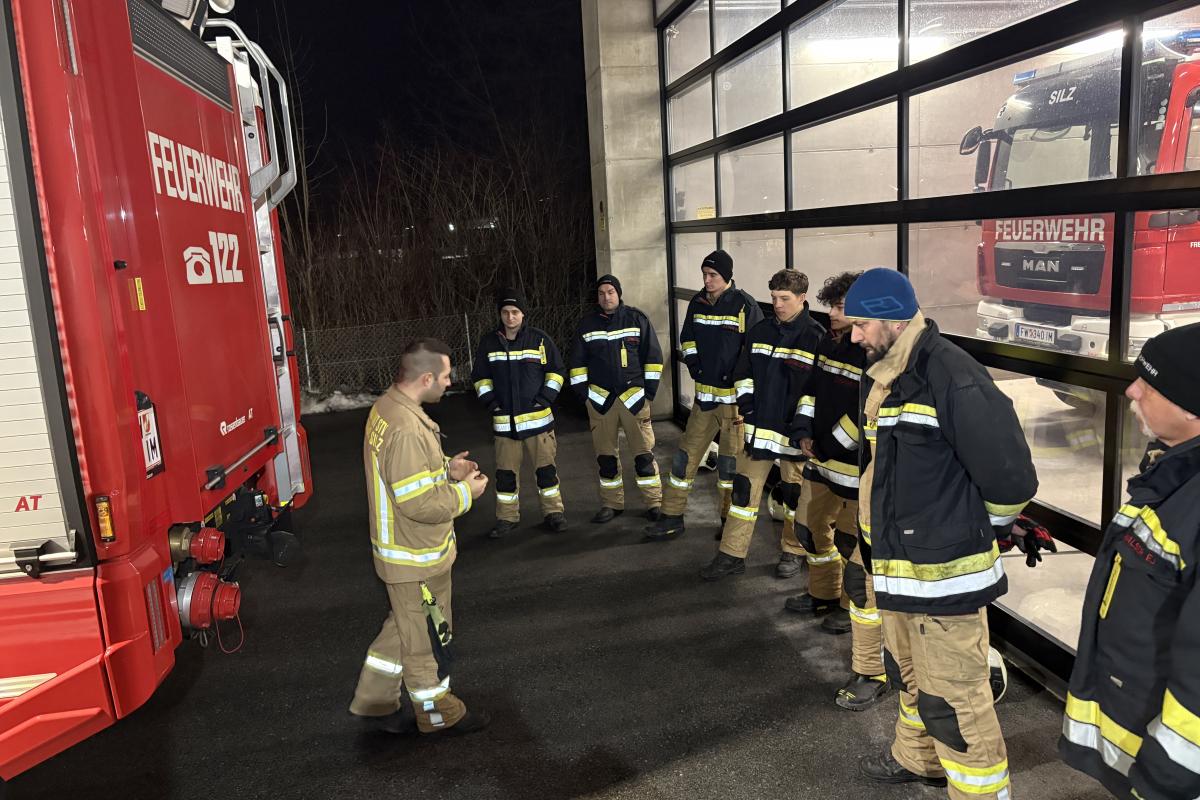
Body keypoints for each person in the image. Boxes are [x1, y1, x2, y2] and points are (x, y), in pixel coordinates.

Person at [847, 268, 1041, 797]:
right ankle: (919, 759)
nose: (854, 335)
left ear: (893, 320)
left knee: (956, 701)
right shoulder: (884, 372)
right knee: (909, 677)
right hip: (898, 569)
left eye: (861, 324)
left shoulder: (953, 375)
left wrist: (974, 531)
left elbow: (1012, 480)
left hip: (942, 581)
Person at [1060, 322, 1200, 800]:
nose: (1131, 390)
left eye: (1150, 383)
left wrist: (1164, 780)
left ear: (1192, 409)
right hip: (1141, 740)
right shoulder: (1171, 471)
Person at [349, 338, 490, 736]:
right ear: (426, 378)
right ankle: (436, 712)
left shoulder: (387, 408)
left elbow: (406, 473)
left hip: (401, 553)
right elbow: (418, 503)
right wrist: (466, 493)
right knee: (426, 636)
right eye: (445, 376)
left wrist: (447, 468)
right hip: (415, 556)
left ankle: (374, 700)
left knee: (405, 624)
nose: (449, 382)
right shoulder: (408, 428)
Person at [781, 270, 888, 711]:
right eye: (832, 307)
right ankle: (823, 595)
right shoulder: (828, 343)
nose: (833, 314)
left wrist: (829, 440)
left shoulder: (874, 355)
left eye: (841, 308)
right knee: (808, 530)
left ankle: (847, 608)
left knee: (851, 545)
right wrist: (804, 429)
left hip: (853, 469)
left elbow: (866, 416)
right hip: (821, 459)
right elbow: (811, 391)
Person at [700, 268, 825, 581]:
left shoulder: (816, 337)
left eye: (784, 298)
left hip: (794, 438)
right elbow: (743, 375)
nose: (777, 304)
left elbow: (815, 394)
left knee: (794, 498)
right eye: (773, 297)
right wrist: (749, 409)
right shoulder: (759, 332)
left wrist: (802, 428)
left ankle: (793, 551)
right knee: (742, 494)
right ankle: (731, 554)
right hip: (758, 434)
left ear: (802, 298)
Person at [645, 250, 763, 542]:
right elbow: (687, 338)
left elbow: (754, 351)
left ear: (727, 276)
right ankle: (671, 516)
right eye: (705, 275)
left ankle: (728, 521)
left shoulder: (745, 306)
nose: (707, 280)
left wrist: (738, 381)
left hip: (734, 406)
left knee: (729, 468)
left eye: (713, 275)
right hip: (704, 402)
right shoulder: (697, 303)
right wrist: (694, 365)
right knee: (684, 458)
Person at [470, 287, 568, 539]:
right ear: (500, 314)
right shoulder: (489, 343)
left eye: (515, 311)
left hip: (539, 423)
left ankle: (554, 513)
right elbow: (480, 377)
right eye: (505, 312)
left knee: (546, 472)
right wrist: (491, 403)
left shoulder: (540, 340)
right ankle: (507, 517)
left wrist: (545, 399)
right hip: (505, 425)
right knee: (505, 476)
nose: (510, 317)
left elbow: (557, 372)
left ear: (523, 314)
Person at [569, 275, 665, 523]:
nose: (606, 297)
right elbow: (577, 365)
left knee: (644, 457)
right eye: (601, 293)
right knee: (606, 458)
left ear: (618, 294)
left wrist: (648, 394)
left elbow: (653, 359)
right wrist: (585, 397)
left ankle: (654, 503)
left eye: (610, 292)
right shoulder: (586, 325)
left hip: (634, 401)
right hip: (600, 403)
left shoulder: (636, 319)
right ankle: (612, 504)